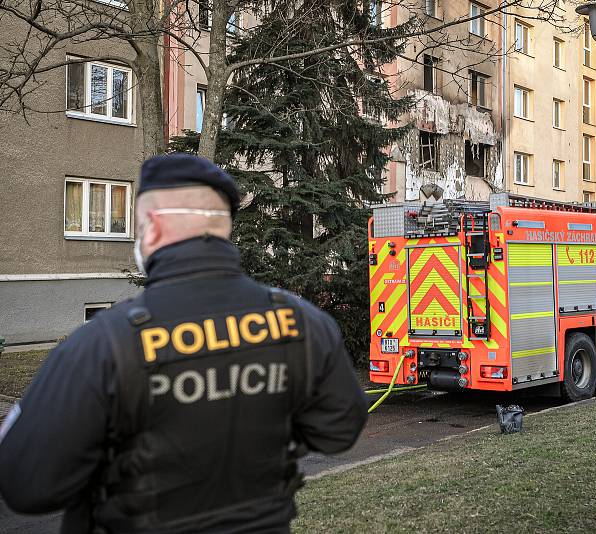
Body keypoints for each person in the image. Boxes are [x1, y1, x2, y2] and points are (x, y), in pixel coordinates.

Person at [0, 153, 368, 533]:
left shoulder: (104, 344)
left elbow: (25, 484)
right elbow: (340, 429)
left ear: (155, 227)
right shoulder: (302, 323)